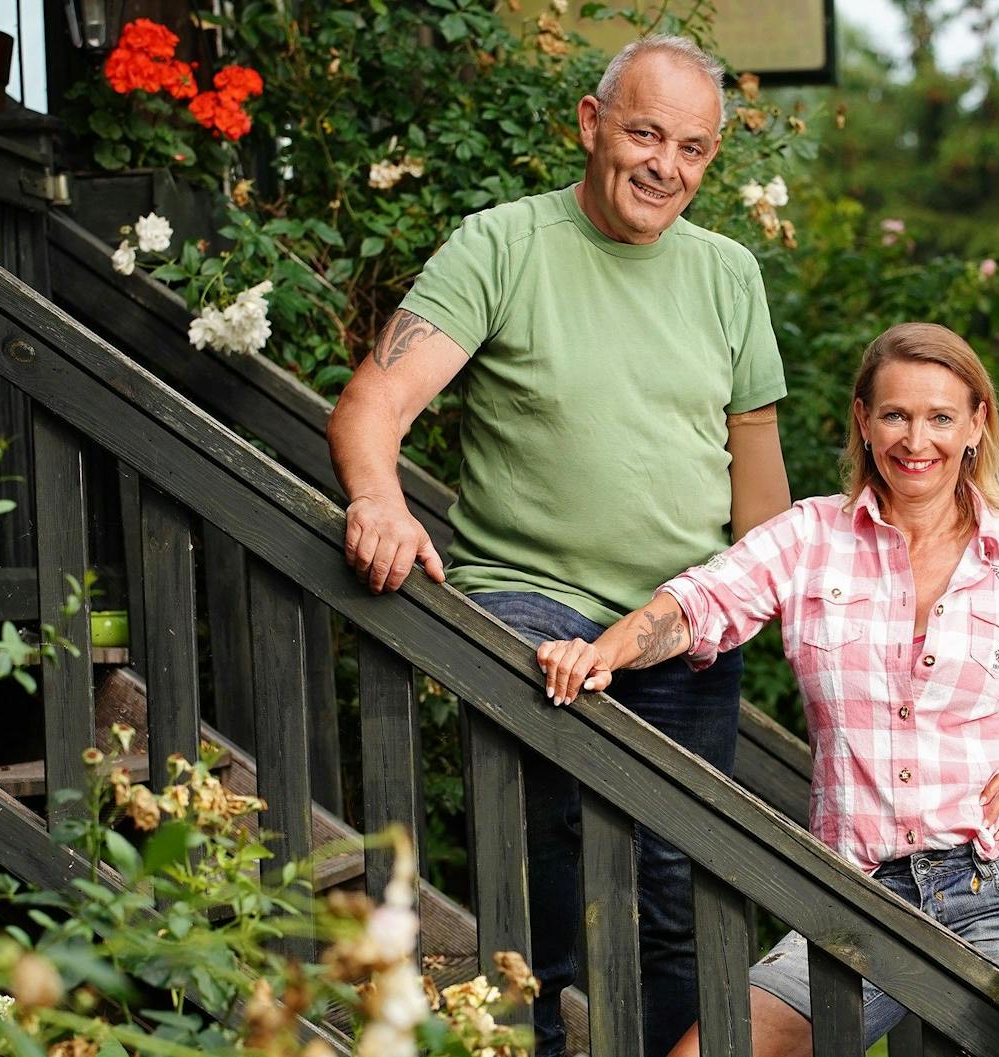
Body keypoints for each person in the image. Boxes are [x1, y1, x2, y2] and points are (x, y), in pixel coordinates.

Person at [536, 322, 999, 1056]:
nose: (917, 440)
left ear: (977, 423)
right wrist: (606, 651)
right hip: (856, 897)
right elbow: (695, 605)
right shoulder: (809, 538)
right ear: (863, 420)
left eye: (941, 416)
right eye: (896, 415)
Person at [326, 35, 791, 1057]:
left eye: (693, 148)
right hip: (528, 602)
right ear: (590, 125)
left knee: (677, 898)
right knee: (540, 870)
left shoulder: (727, 274)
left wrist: (773, 603)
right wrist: (379, 499)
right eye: (643, 133)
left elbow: (757, 485)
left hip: (679, 622)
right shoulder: (502, 244)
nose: (666, 165)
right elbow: (373, 402)